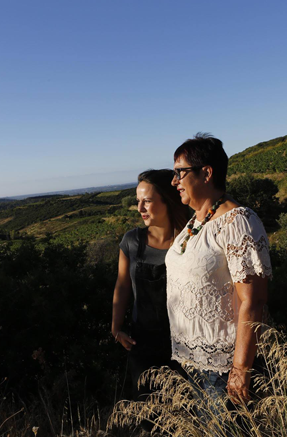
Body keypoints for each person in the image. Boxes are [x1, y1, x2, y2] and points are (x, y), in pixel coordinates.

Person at [166, 133, 272, 409]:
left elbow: (254, 299)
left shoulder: (238, 222)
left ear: (206, 173)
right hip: (192, 360)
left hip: (224, 368)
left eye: (180, 173)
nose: (174, 182)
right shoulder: (198, 220)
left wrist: (240, 369)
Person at [111, 169, 188, 401]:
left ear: (168, 200)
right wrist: (116, 328)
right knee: (150, 411)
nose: (140, 208)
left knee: (187, 410)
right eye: (138, 201)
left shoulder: (189, 240)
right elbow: (122, 285)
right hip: (143, 343)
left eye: (147, 201)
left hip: (185, 343)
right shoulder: (132, 241)